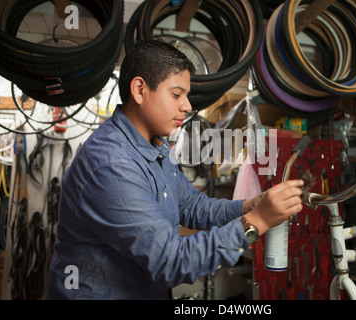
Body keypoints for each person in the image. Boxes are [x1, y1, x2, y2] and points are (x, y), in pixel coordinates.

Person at [47, 39, 304, 299]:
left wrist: (248, 207)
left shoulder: (155, 145)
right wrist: (256, 222)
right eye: (176, 94)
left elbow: (191, 205)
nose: (188, 106)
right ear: (139, 90)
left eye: (187, 95)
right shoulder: (112, 165)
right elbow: (171, 261)